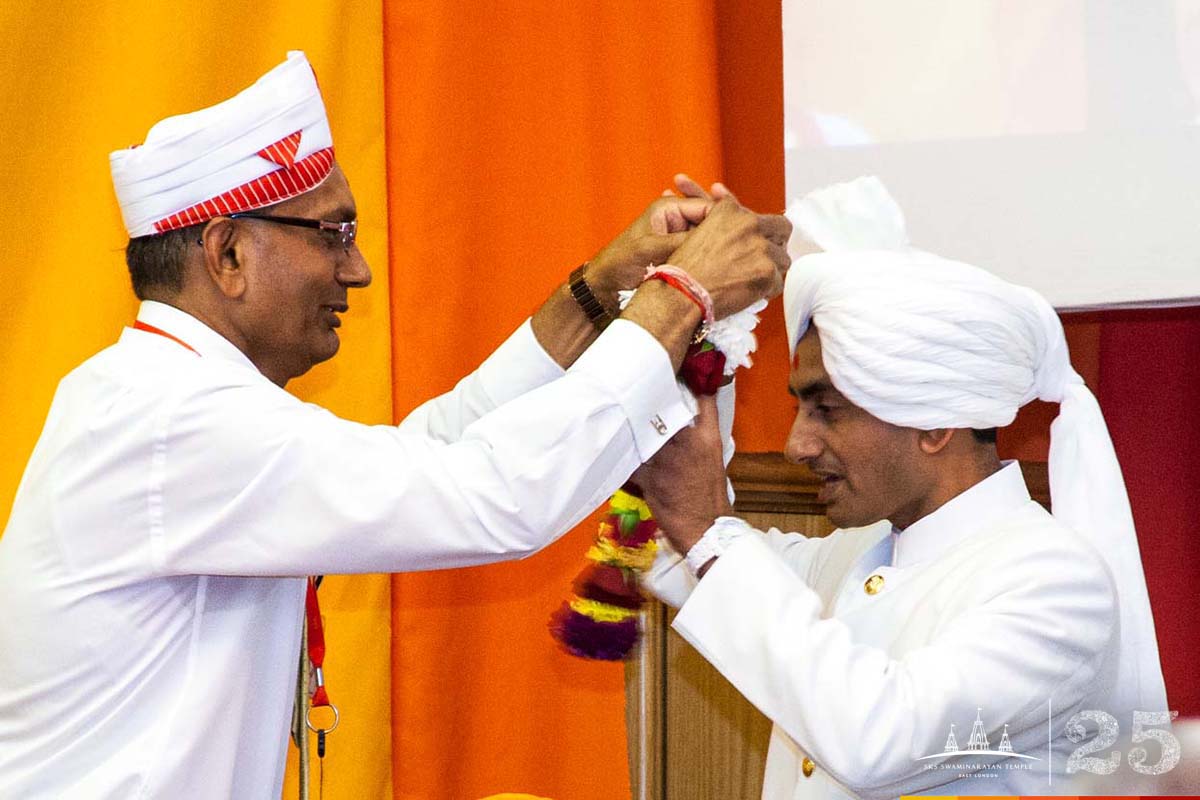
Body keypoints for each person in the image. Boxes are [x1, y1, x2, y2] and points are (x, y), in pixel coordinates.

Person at [0, 51, 791, 797]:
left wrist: (599, 289)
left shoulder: (162, 396)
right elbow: (489, 496)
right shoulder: (172, 419)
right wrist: (683, 294)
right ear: (228, 253)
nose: (359, 268)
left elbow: (426, 457)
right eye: (333, 234)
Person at [637, 177, 1171, 797]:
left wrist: (708, 529)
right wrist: (686, 321)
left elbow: (875, 738)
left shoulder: (1054, 582)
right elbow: (678, 550)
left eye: (826, 409)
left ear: (935, 423)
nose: (796, 447)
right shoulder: (854, 551)